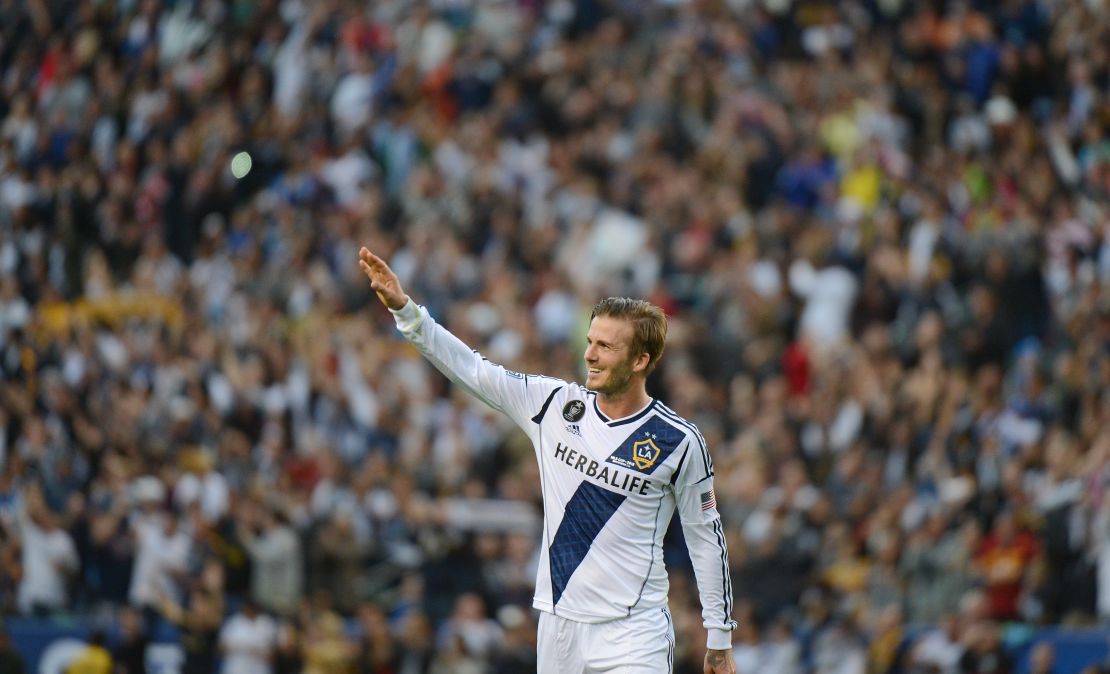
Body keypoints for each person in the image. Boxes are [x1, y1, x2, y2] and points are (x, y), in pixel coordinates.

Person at [358, 247, 737, 673]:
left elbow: (705, 537)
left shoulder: (679, 441)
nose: (589, 355)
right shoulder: (554, 405)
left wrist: (718, 635)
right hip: (558, 625)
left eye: (605, 347)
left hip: (634, 631)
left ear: (640, 360)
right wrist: (407, 312)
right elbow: (473, 369)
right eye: (590, 342)